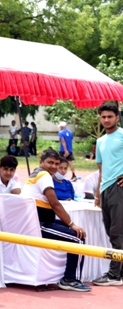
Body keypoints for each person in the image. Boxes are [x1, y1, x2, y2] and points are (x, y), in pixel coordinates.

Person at [21, 149, 91, 292]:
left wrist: (70, 225)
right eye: (50, 163)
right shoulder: (43, 175)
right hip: (39, 224)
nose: (53, 166)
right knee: (77, 238)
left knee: (75, 233)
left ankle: (70, 277)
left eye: (56, 164)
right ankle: (70, 280)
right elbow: (55, 204)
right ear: (41, 162)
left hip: (39, 222)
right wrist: (72, 224)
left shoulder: (36, 174)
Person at [92, 103, 123, 286]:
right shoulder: (100, 140)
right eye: (103, 116)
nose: (106, 120)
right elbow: (101, 170)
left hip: (119, 188)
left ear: (117, 117)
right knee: (113, 232)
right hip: (105, 189)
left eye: (109, 116)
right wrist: (97, 194)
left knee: (116, 232)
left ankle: (113, 275)